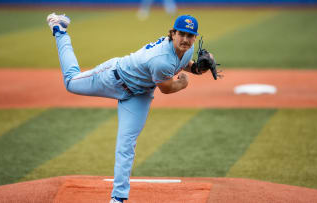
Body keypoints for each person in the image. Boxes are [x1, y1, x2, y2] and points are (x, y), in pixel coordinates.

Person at [47, 13, 213, 203]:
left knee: (126, 143)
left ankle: (118, 197)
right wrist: (183, 84)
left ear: (195, 37)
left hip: (139, 95)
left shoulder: (186, 50)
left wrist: (201, 68)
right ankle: (60, 29)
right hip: (113, 78)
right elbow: (167, 88)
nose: (185, 39)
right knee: (70, 82)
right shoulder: (161, 59)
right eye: (181, 34)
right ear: (173, 33)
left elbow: (186, 64)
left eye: (190, 35)